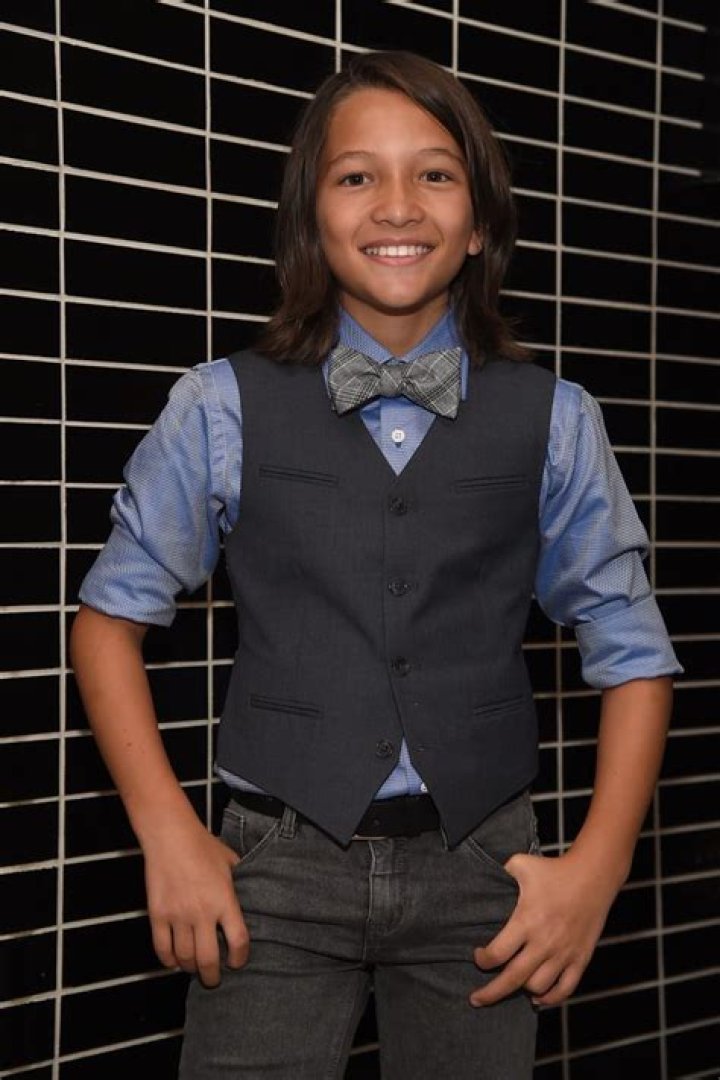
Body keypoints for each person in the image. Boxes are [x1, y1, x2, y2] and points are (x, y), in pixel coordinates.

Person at [70, 50, 682, 1079]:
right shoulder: (217, 406)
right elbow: (105, 625)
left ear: (480, 222)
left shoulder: (558, 420)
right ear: (310, 218)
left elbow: (636, 654)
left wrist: (599, 868)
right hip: (272, 868)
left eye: (435, 174)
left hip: (484, 870)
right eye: (357, 176)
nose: (397, 204)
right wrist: (167, 834)